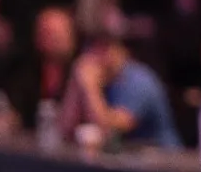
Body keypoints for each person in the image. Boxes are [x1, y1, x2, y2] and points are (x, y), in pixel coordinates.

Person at [60, 19, 181, 148]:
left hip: (162, 156)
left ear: (118, 50)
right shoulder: (101, 79)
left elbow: (110, 131)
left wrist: (89, 87)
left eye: (103, 49)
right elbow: (65, 130)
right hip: (123, 156)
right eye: (92, 50)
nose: (94, 59)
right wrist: (76, 82)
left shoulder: (140, 81)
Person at [0, 6, 77, 129]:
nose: (54, 40)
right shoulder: (24, 72)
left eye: (59, 34)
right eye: (47, 33)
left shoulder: (82, 71)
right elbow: (13, 112)